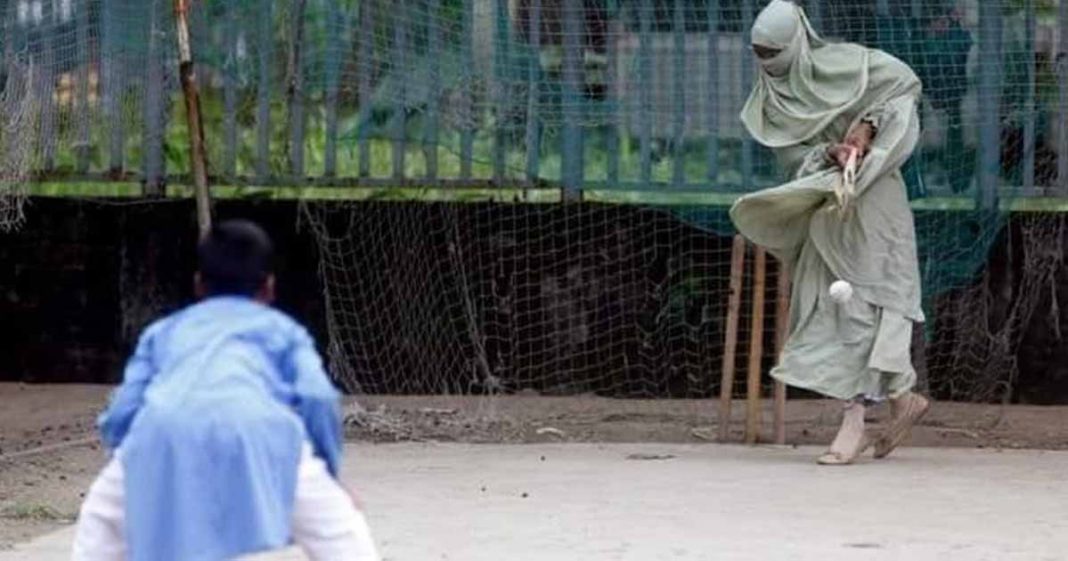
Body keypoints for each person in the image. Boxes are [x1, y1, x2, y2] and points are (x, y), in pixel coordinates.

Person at [71, 220, 381, 561]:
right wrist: (329, 473)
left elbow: (123, 410)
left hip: (162, 433)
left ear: (199, 284)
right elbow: (318, 397)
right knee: (344, 539)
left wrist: (127, 459)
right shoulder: (283, 331)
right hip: (264, 434)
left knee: (99, 525)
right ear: (269, 287)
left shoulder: (164, 332)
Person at [731, 0, 930, 465]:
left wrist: (867, 126)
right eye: (760, 53)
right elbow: (789, 155)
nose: (769, 62)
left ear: (798, 41)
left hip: (876, 199)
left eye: (775, 51)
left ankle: (859, 420)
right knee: (835, 310)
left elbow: (905, 86)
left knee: (878, 302)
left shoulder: (852, 63)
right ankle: (896, 400)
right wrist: (827, 153)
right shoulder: (771, 99)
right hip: (825, 207)